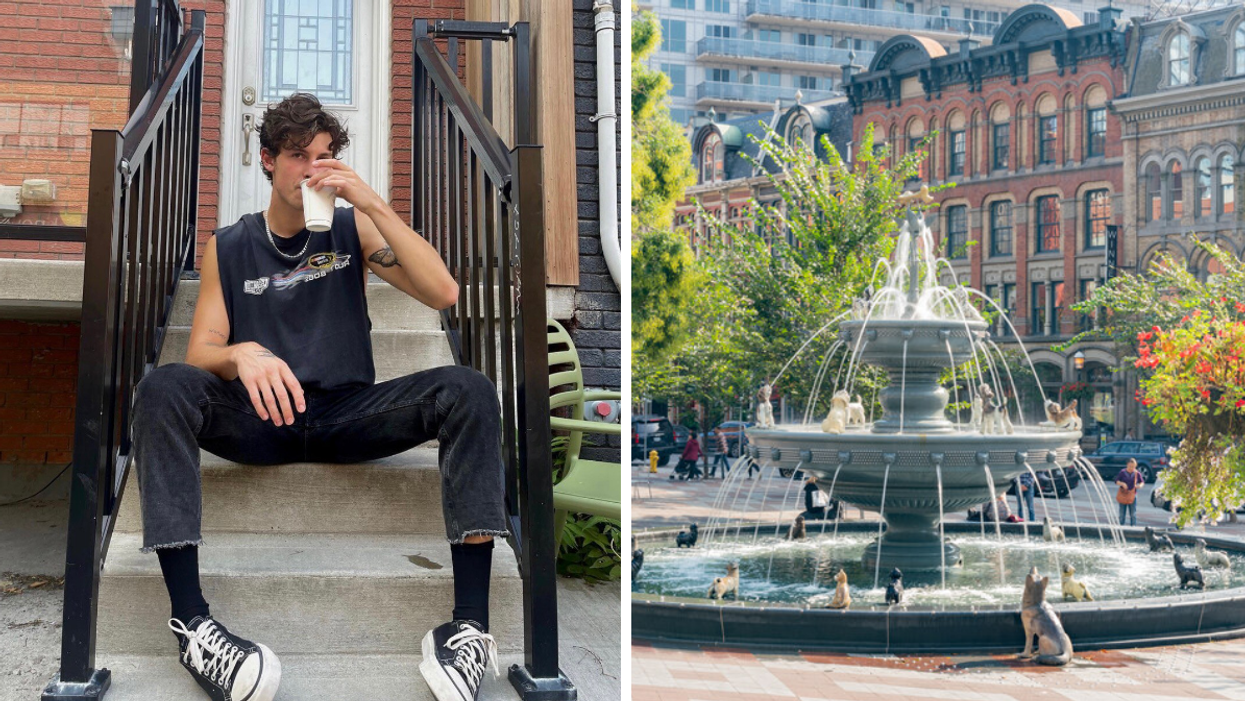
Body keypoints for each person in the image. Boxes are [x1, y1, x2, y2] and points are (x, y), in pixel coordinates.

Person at [131, 93, 503, 701]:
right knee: (163, 385)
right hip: (259, 420)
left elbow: (443, 292)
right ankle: (194, 626)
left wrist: (371, 203)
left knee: (468, 389)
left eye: (325, 156)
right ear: (266, 159)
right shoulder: (229, 246)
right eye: (299, 156)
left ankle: (468, 630)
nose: (313, 169)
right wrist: (238, 354)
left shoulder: (352, 230)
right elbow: (200, 351)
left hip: (348, 414)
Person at [1115, 458, 1144, 527]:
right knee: (1122, 514)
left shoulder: (1137, 473)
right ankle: (1121, 526)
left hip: (1132, 496)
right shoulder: (1122, 472)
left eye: (1133, 467)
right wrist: (1122, 483)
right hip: (1123, 495)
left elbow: (1142, 482)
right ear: (1127, 465)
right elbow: (1116, 481)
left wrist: (1139, 486)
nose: (1131, 468)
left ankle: (1133, 527)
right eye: (1130, 466)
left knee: (1133, 514)